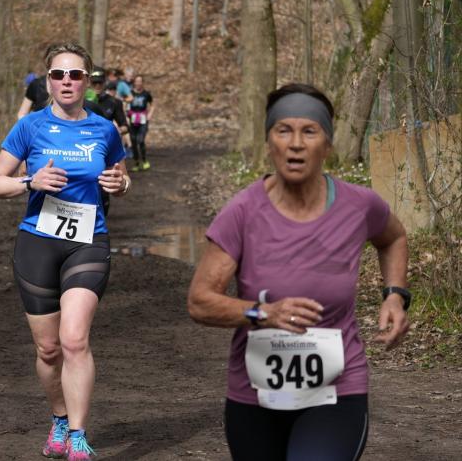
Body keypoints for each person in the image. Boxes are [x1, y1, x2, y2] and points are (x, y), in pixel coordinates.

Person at [187, 83, 410, 461]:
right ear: (268, 142)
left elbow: (394, 238)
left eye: (309, 131)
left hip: (336, 392)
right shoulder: (242, 213)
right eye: (283, 131)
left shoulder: (359, 206)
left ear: (327, 145)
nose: (295, 144)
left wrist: (395, 294)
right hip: (254, 396)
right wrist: (263, 313)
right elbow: (200, 301)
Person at [0, 42, 129, 461]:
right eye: (58, 74)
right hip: (38, 242)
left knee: (74, 339)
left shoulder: (104, 129)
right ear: (47, 81)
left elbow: (121, 177)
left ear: (87, 82)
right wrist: (28, 182)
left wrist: (121, 184)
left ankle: (79, 436)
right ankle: (61, 419)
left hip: (88, 240)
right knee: (48, 350)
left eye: (75, 75)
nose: (67, 81)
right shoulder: (29, 127)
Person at [87, 66, 130, 216]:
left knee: (103, 189)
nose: (97, 86)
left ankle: (100, 217)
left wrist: (115, 132)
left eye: (100, 82)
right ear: (88, 82)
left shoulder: (114, 102)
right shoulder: (80, 102)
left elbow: (125, 126)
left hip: (105, 150)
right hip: (82, 148)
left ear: (105, 82)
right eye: (94, 82)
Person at [126, 75, 154, 171]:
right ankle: (137, 162)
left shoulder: (146, 94)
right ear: (134, 83)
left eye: (140, 81)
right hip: (132, 119)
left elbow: (152, 104)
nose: (138, 83)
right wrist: (126, 114)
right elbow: (125, 103)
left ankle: (145, 160)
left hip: (143, 119)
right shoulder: (130, 93)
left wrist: (150, 114)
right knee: (133, 141)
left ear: (142, 83)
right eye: (136, 81)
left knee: (140, 140)